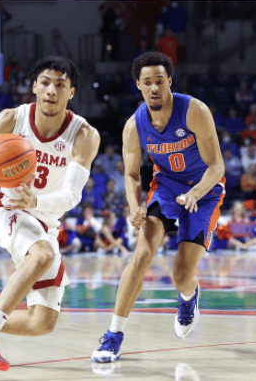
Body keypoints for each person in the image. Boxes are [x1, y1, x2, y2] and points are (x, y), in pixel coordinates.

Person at [0, 56, 100, 371]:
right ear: (34, 86)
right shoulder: (11, 119)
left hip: (43, 219)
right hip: (6, 209)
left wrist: (34, 202)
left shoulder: (84, 135)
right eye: (45, 82)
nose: (51, 90)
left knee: (41, 322)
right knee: (42, 255)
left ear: (71, 92)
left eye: (60, 85)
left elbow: (73, 195)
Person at [92, 51, 225, 363]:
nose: (154, 88)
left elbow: (217, 166)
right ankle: (113, 335)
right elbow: (130, 173)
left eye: (160, 81)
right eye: (147, 82)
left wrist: (195, 192)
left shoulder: (194, 111)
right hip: (165, 188)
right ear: (138, 84)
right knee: (141, 254)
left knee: (181, 276)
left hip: (204, 193)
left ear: (169, 82)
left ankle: (189, 296)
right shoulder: (133, 126)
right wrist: (134, 205)